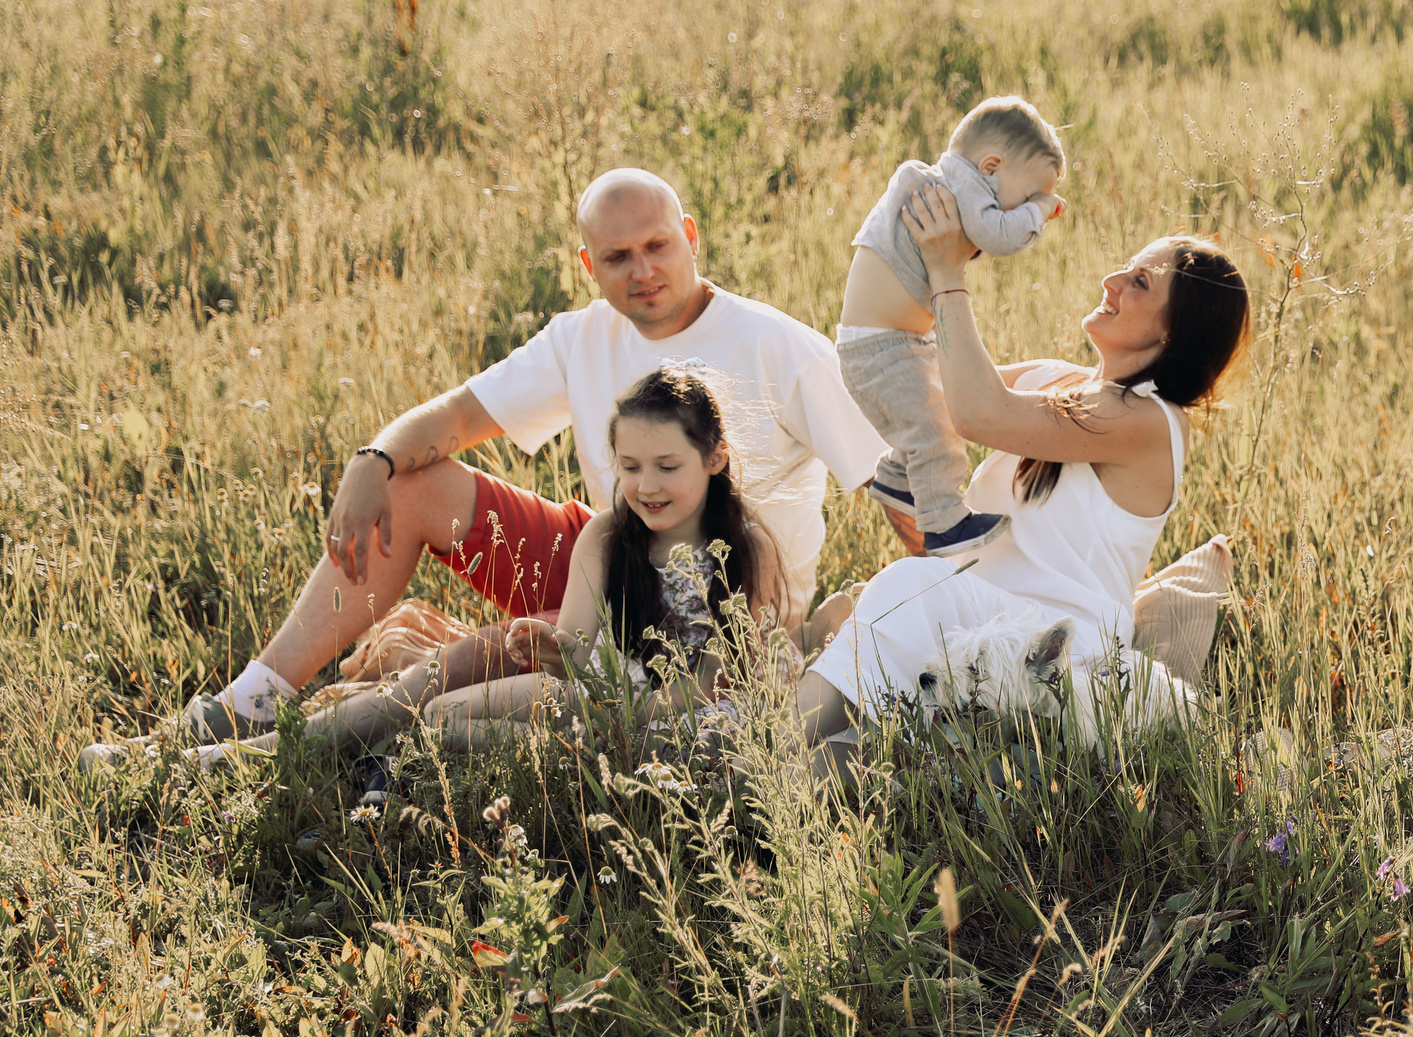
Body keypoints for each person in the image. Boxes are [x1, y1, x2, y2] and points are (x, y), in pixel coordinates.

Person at [141, 168, 888, 750]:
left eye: (658, 245)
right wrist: (372, 460)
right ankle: (253, 700)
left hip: (730, 605)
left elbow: (893, 485)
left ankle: (355, 742)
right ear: (588, 263)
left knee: (474, 671)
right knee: (409, 484)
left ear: (691, 235)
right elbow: (460, 416)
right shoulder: (583, 336)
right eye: (618, 256)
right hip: (614, 560)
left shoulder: (779, 346)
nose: (643, 270)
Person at [166, 365, 787, 793]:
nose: (647, 485)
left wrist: (623, 715)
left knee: (481, 726)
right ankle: (243, 758)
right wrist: (550, 650)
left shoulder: (745, 548)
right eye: (630, 466)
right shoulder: (606, 537)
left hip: (688, 725)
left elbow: (713, 685)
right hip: (602, 693)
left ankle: (423, 774)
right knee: (440, 714)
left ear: (714, 458)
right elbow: (574, 647)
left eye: (667, 466)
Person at [795, 183, 1248, 745]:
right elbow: (926, 385)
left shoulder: (1153, 424)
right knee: (870, 662)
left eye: (1139, 283)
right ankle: (772, 769)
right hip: (976, 614)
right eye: (1126, 269)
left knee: (906, 589)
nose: (1112, 282)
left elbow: (980, 412)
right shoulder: (1058, 383)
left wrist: (947, 272)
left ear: (1173, 329)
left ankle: (772, 755)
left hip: (1055, 645)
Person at [837, 96, 1066, 557]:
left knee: (934, 420)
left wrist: (1028, 198)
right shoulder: (960, 186)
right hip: (884, 348)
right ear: (991, 166)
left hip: (893, 343)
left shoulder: (948, 185)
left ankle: (900, 479)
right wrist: (1042, 211)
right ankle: (945, 525)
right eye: (1024, 195)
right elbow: (997, 235)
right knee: (937, 440)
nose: (1022, 207)